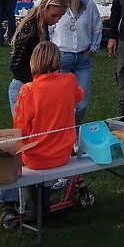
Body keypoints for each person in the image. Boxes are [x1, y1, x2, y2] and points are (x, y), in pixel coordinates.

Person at [13, 41, 83, 218]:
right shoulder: (69, 81)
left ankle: (29, 212)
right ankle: (41, 207)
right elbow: (79, 96)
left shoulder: (27, 90)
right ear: (58, 61)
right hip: (62, 155)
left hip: (35, 158)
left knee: (20, 160)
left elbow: (20, 129)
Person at [51, 0, 102, 123]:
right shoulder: (55, 6)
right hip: (61, 57)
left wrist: (93, 48)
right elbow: (47, 30)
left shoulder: (89, 5)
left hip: (83, 59)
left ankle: (74, 129)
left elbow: (97, 27)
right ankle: (63, 131)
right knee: (62, 103)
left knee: (82, 104)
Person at [8, 0, 69, 115]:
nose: (57, 20)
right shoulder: (30, 30)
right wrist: (39, 83)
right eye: (54, 15)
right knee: (25, 131)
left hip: (35, 86)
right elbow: (16, 66)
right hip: (24, 87)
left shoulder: (42, 26)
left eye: (60, 17)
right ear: (44, 8)